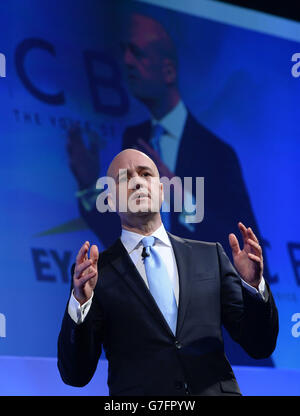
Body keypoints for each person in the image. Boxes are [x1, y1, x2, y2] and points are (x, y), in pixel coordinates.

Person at [66, 13, 276, 366]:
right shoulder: (134, 138)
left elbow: (242, 235)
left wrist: (183, 198)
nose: (126, 62)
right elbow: (125, 231)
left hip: (229, 355)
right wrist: (89, 184)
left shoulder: (217, 152)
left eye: (137, 52)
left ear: (168, 71)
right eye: (123, 178)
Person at [57, 149, 278, 396]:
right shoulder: (97, 274)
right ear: (109, 200)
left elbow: (260, 345)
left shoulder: (210, 256)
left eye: (145, 174)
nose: (137, 182)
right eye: (124, 178)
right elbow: (75, 375)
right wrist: (81, 304)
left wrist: (253, 286)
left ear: (162, 190)